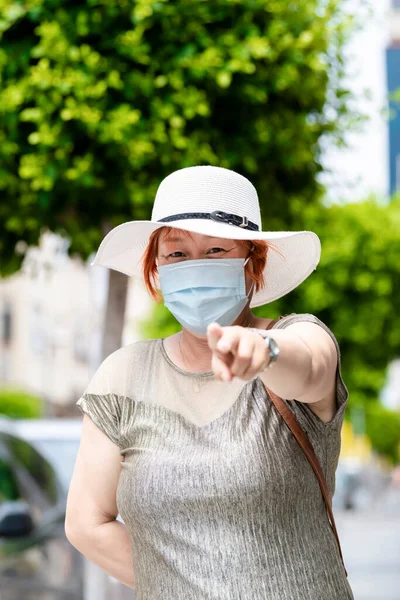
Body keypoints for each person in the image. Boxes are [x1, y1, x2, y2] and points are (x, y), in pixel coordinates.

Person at [65, 166, 354, 600]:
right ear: (156, 267)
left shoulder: (297, 334)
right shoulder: (123, 375)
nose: (196, 267)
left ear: (251, 263)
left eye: (216, 249)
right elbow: (87, 524)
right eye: (177, 254)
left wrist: (265, 350)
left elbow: (312, 364)